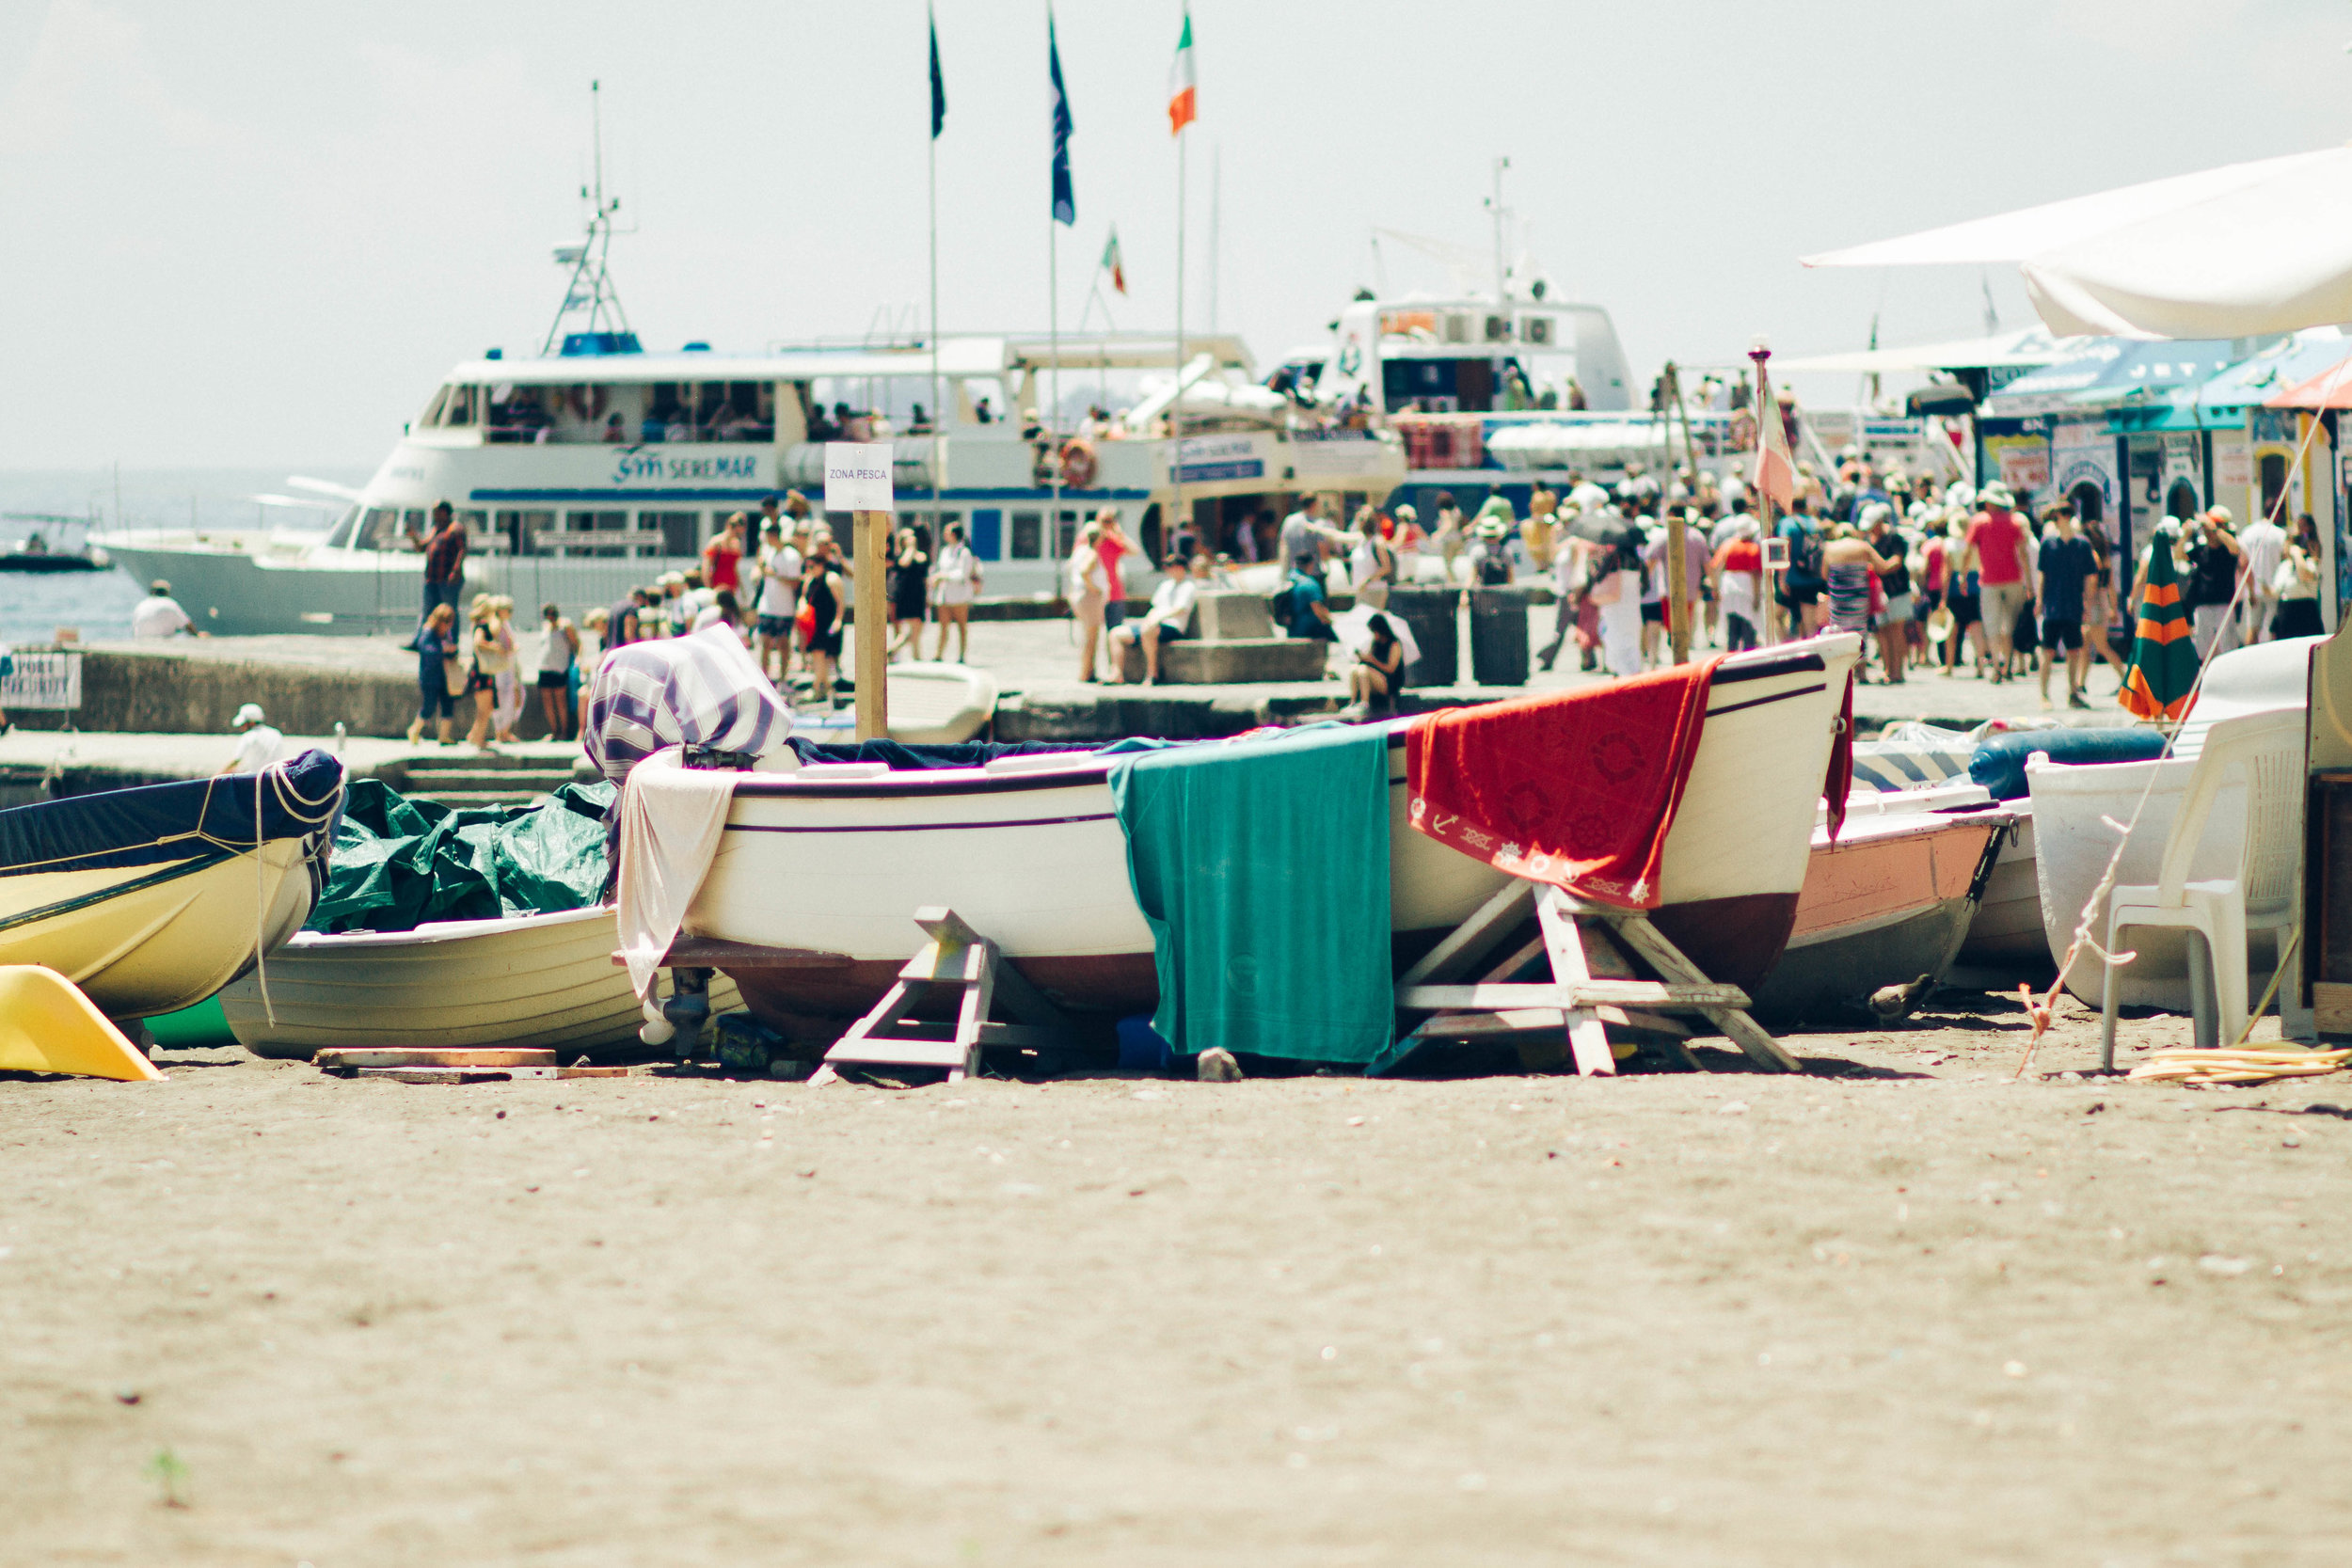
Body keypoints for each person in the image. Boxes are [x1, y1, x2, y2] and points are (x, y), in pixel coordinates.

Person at [1963, 483, 2034, 683]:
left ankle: (1996, 666)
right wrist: (2028, 583)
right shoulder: (2014, 522)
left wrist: (1963, 576)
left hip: (1989, 581)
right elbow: (2023, 554)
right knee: (2009, 625)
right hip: (2013, 579)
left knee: (1992, 625)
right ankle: (2009, 666)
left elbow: (1967, 551)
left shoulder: (1979, 522)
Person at [2034, 502, 2101, 711]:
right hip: (2053, 605)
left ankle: (2073, 692)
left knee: (2074, 651)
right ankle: (2044, 695)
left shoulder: (2082, 544)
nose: (2061, 518)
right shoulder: (2048, 544)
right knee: (2048, 651)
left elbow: (2091, 575)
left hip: (2073, 604)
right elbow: (2042, 573)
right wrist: (2039, 599)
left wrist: (2088, 602)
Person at [1107, 554, 1198, 685]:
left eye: (1171, 566)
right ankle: (1116, 674)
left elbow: (1180, 609)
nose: (1168, 569)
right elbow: (1155, 607)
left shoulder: (1188, 586)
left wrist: (1157, 619)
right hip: (1153, 624)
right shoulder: (1165, 585)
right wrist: (1149, 619)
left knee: (1148, 630)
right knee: (1115, 633)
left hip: (1172, 626)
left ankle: (1152, 673)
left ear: (1181, 568)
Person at [1863, 503, 1915, 683]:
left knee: (1896, 631)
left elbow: (1896, 562)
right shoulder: (1871, 541)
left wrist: (1879, 567)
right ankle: (1887, 670)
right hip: (1880, 593)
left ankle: (1897, 671)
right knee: (1883, 632)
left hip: (1897, 590)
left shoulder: (1894, 538)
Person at [2185, 507, 2243, 660]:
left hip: (2223, 605)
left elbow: (2235, 548)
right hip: (2203, 606)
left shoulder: (2227, 549)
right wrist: (2185, 535)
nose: (2208, 533)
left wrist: (2214, 528)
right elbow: (2178, 555)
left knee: (2228, 649)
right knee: (2203, 651)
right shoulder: (2201, 550)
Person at [754, 516, 801, 685]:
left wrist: (775, 575)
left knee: (783, 644)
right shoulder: (768, 552)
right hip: (767, 605)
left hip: (784, 607)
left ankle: (783, 677)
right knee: (764, 642)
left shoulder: (791, 556)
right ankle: (764, 677)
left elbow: (796, 582)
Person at [406, 602, 461, 745]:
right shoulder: (428, 632)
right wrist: (444, 649)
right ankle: (414, 730)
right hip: (430, 677)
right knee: (429, 707)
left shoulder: (444, 634)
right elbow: (427, 650)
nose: (448, 626)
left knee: (448, 704)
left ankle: (444, 736)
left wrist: (452, 650)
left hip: (444, 676)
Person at [1066, 520, 1111, 681]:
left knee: (1087, 635)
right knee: (1092, 638)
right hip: (1089, 597)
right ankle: (1087, 673)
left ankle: (1087, 670)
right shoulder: (1091, 553)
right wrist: (1094, 588)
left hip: (1078, 595)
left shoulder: (1079, 551)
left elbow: (1070, 568)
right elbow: (1085, 571)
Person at [930, 520, 982, 662]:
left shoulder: (964, 552)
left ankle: (961, 654)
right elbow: (940, 568)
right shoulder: (945, 551)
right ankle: (939, 653)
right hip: (945, 594)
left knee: (961, 626)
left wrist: (943, 576)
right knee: (943, 626)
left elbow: (962, 574)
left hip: (959, 595)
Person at [2236, 503, 2288, 644]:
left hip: (2253, 588)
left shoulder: (2247, 532)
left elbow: (2243, 562)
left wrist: (2250, 590)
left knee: (2252, 629)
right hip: (2273, 588)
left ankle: (2248, 661)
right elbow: (2285, 559)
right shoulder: (2281, 534)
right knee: (2271, 630)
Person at [801, 538, 845, 701]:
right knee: (817, 656)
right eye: (808, 566)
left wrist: (838, 620)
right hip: (815, 624)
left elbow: (840, 602)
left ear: (821, 565)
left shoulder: (831, 579)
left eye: (812, 567)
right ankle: (823, 688)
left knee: (826, 658)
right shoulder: (810, 580)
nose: (809, 569)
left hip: (828, 622)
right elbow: (804, 600)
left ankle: (821, 688)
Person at [1343, 611, 1406, 719]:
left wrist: (1373, 661)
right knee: (1355, 669)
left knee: (1363, 670)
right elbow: (1370, 661)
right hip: (1376, 678)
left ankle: (1364, 703)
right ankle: (1353, 702)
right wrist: (1363, 658)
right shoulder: (1375, 643)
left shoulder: (1394, 644)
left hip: (1389, 682)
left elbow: (1391, 669)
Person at [2274, 514, 2326, 639]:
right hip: (2289, 606)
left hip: (2306, 602)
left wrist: (2298, 554)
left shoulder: (2312, 541)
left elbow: (2309, 569)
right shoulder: (2291, 541)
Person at [462, 596, 503, 750]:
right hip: (482, 672)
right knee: (484, 709)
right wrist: (494, 646)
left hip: (481, 671)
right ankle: (478, 739)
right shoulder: (482, 625)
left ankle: (475, 735)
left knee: (487, 707)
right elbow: (478, 642)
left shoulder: (478, 624)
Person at [532, 603, 579, 739]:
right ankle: (554, 731)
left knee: (560, 700)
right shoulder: (545, 628)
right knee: (548, 701)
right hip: (545, 667)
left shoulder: (565, 627)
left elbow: (575, 644)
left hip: (560, 668)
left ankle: (564, 731)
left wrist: (576, 660)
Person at [886, 527, 930, 660]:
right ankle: (914, 657)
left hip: (919, 595)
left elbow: (924, 571)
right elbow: (904, 563)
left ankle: (896, 650)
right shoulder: (901, 556)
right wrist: (910, 548)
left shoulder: (921, 555)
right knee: (911, 629)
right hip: (907, 595)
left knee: (917, 630)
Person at [419, 500, 466, 623]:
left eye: (436, 512)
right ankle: (423, 639)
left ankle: (452, 640)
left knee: (449, 611)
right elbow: (422, 547)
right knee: (428, 611)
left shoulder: (455, 529)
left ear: (444, 512)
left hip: (447, 579)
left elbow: (462, 550)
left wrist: (455, 571)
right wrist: (412, 535)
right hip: (432, 578)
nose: (434, 515)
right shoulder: (436, 529)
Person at [487, 595, 523, 742]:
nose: (510, 612)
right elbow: (490, 643)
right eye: (507, 610)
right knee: (504, 698)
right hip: (501, 668)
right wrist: (503, 650)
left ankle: (504, 731)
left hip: (507, 666)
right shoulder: (496, 624)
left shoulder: (504, 624)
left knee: (512, 697)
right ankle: (502, 732)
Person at [1279, 552, 1336, 642]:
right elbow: (1317, 610)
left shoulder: (1291, 578)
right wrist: (1330, 620)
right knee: (1335, 642)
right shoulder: (1309, 584)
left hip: (1292, 631)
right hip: (1307, 631)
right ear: (1310, 564)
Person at [217, 703, 285, 774]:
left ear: (251, 723)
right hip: (276, 776)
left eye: (244, 723)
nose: (241, 727)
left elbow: (236, 760)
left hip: (257, 778)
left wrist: (216, 776)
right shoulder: (275, 733)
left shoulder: (249, 736)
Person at [131, 578, 200, 639]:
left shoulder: (141, 605)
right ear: (167, 592)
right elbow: (188, 626)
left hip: (140, 642)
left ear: (151, 592)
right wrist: (198, 636)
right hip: (161, 643)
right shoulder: (170, 603)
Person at [703, 513, 748, 597]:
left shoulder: (736, 543)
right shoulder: (716, 542)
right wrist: (708, 588)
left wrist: (742, 589)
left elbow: (735, 568)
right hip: (718, 583)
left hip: (732, 584)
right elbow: (706, 567)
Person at [1429, 492, 1466, 582]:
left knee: (1448, 565)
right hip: (1458, 539)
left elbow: (1448, 525)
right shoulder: (1457, 511)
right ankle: (1459, 580)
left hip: (1449, 541)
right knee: (1456, 563)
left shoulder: (1444, 512)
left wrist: (1437, 534)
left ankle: (1452, 583)